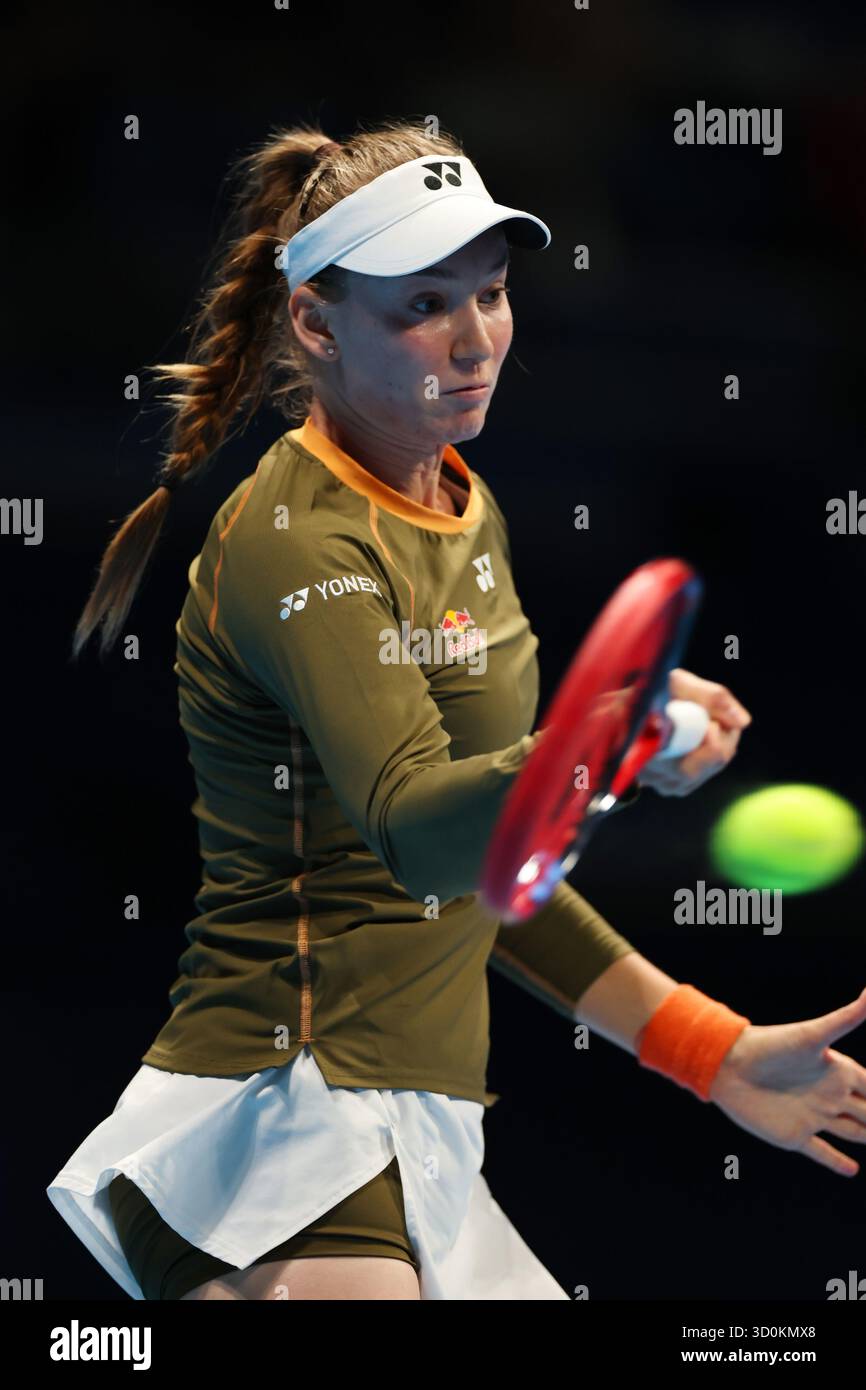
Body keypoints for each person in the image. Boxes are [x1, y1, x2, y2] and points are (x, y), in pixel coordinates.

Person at [47, 119, 866, 1302]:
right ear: (316, 324)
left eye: (489, 292)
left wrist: (707, 1048)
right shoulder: (296, 541)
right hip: (287, 1108)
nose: (475, 338)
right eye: (423, 305)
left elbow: (492, 869)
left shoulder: (458, 511)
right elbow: (419, 828)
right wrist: (610, 738)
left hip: (415, 1119)